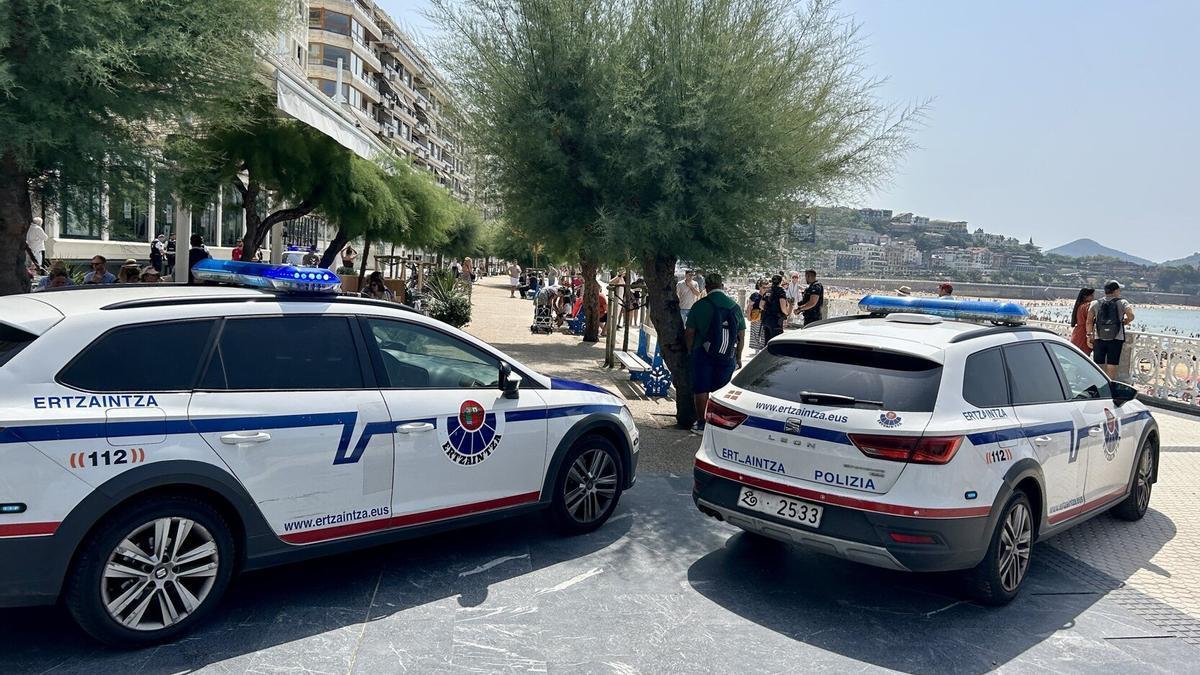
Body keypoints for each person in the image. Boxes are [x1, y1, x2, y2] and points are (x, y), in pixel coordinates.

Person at [685, 273, 746, 434]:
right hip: (727, 354)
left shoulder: (700, 305)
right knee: (722, 390)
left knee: (701, 388)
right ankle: (720, 423)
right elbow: (741, 334)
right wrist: (738, 356)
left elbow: (690, 331)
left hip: (703, 352)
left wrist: (690, 350)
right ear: (722, 286)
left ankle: (701, 422)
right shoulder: (734, 306)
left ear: (706, 287)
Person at [1087, 280, 1135, 379]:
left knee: (1097, 363)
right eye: (1119, 290)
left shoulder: (1095, 303)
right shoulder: (1122, 302)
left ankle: (1096, 383)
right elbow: (1131, 316)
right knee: (1112, 363)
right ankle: (1110, 385)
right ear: (1116, 291)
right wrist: (1125, 322)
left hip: (1099, 337)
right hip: (1116, 338)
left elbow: (1089, 321)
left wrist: (1089, 335)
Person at [760, 274, 789, 343]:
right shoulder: (781, 291)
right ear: (780, 282)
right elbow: (783, 308)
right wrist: (787, 312)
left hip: (766, 319)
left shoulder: (768, 291)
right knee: (775, 343)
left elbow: (761, 305)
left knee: (767, 342)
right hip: (776, 321)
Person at [1069, 287, 1095, 352]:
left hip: (1077, 333)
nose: (1093, 298)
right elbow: (1090, 320)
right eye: (1091, 295)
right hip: (1084, 334)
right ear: (1085, 296)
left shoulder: (1079, 306)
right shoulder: (1087, 306)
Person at [747, 279, 768, 351]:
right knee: (755, 333)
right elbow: (749, 306)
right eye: (763, 287)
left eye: (767, 287)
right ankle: (756, 349)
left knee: (763, 333)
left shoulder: (768, 295)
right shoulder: (754, 295)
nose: (765, 289)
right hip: (756, 317)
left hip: (765, 317)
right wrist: (748, 316)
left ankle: (762, 348)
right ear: (760, 287)